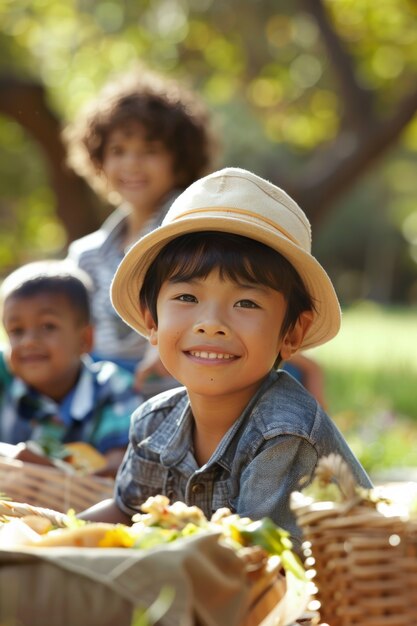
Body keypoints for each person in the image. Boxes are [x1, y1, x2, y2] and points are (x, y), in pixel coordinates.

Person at [79, 167, 372, 550]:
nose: (210, 324)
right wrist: (41, 537)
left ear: (292, 333)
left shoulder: (283, 433)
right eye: (187, 298)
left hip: (319, 601)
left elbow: (255, 558)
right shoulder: (153, 422)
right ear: (152, 321)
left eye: (246, 302)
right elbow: (126, 511)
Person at [64, 67, 217, 396]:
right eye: (118, 151)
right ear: (99, 159)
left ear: (180, 159)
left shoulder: (191, 231)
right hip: (103, 388)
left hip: (170, 385)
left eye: (150, 151)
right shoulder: (87, 254)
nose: (132, 164)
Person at [0, 260, 141, 477]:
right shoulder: (5, 374)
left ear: (85, 339)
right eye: (16, 331)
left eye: (48, 326)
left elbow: (119, 470)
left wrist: (53, 474)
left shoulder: (110, 386)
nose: (28, 341)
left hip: (80, 506)